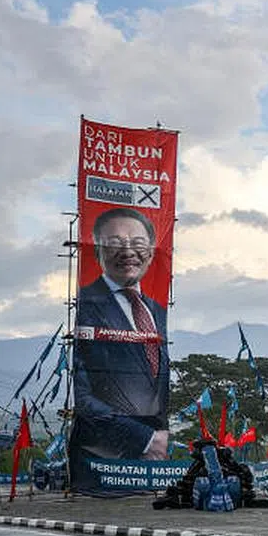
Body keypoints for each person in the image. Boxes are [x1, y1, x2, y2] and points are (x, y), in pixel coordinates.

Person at [70, 207, 170, 486]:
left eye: (138, 243)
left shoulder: (157, 311)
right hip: (104, 462)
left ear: (151, 251)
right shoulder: (87, 306)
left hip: (151, 466)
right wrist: (147, 439)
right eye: (114, 243)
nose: (128, 251)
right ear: (97, 250)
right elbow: (83, 395)